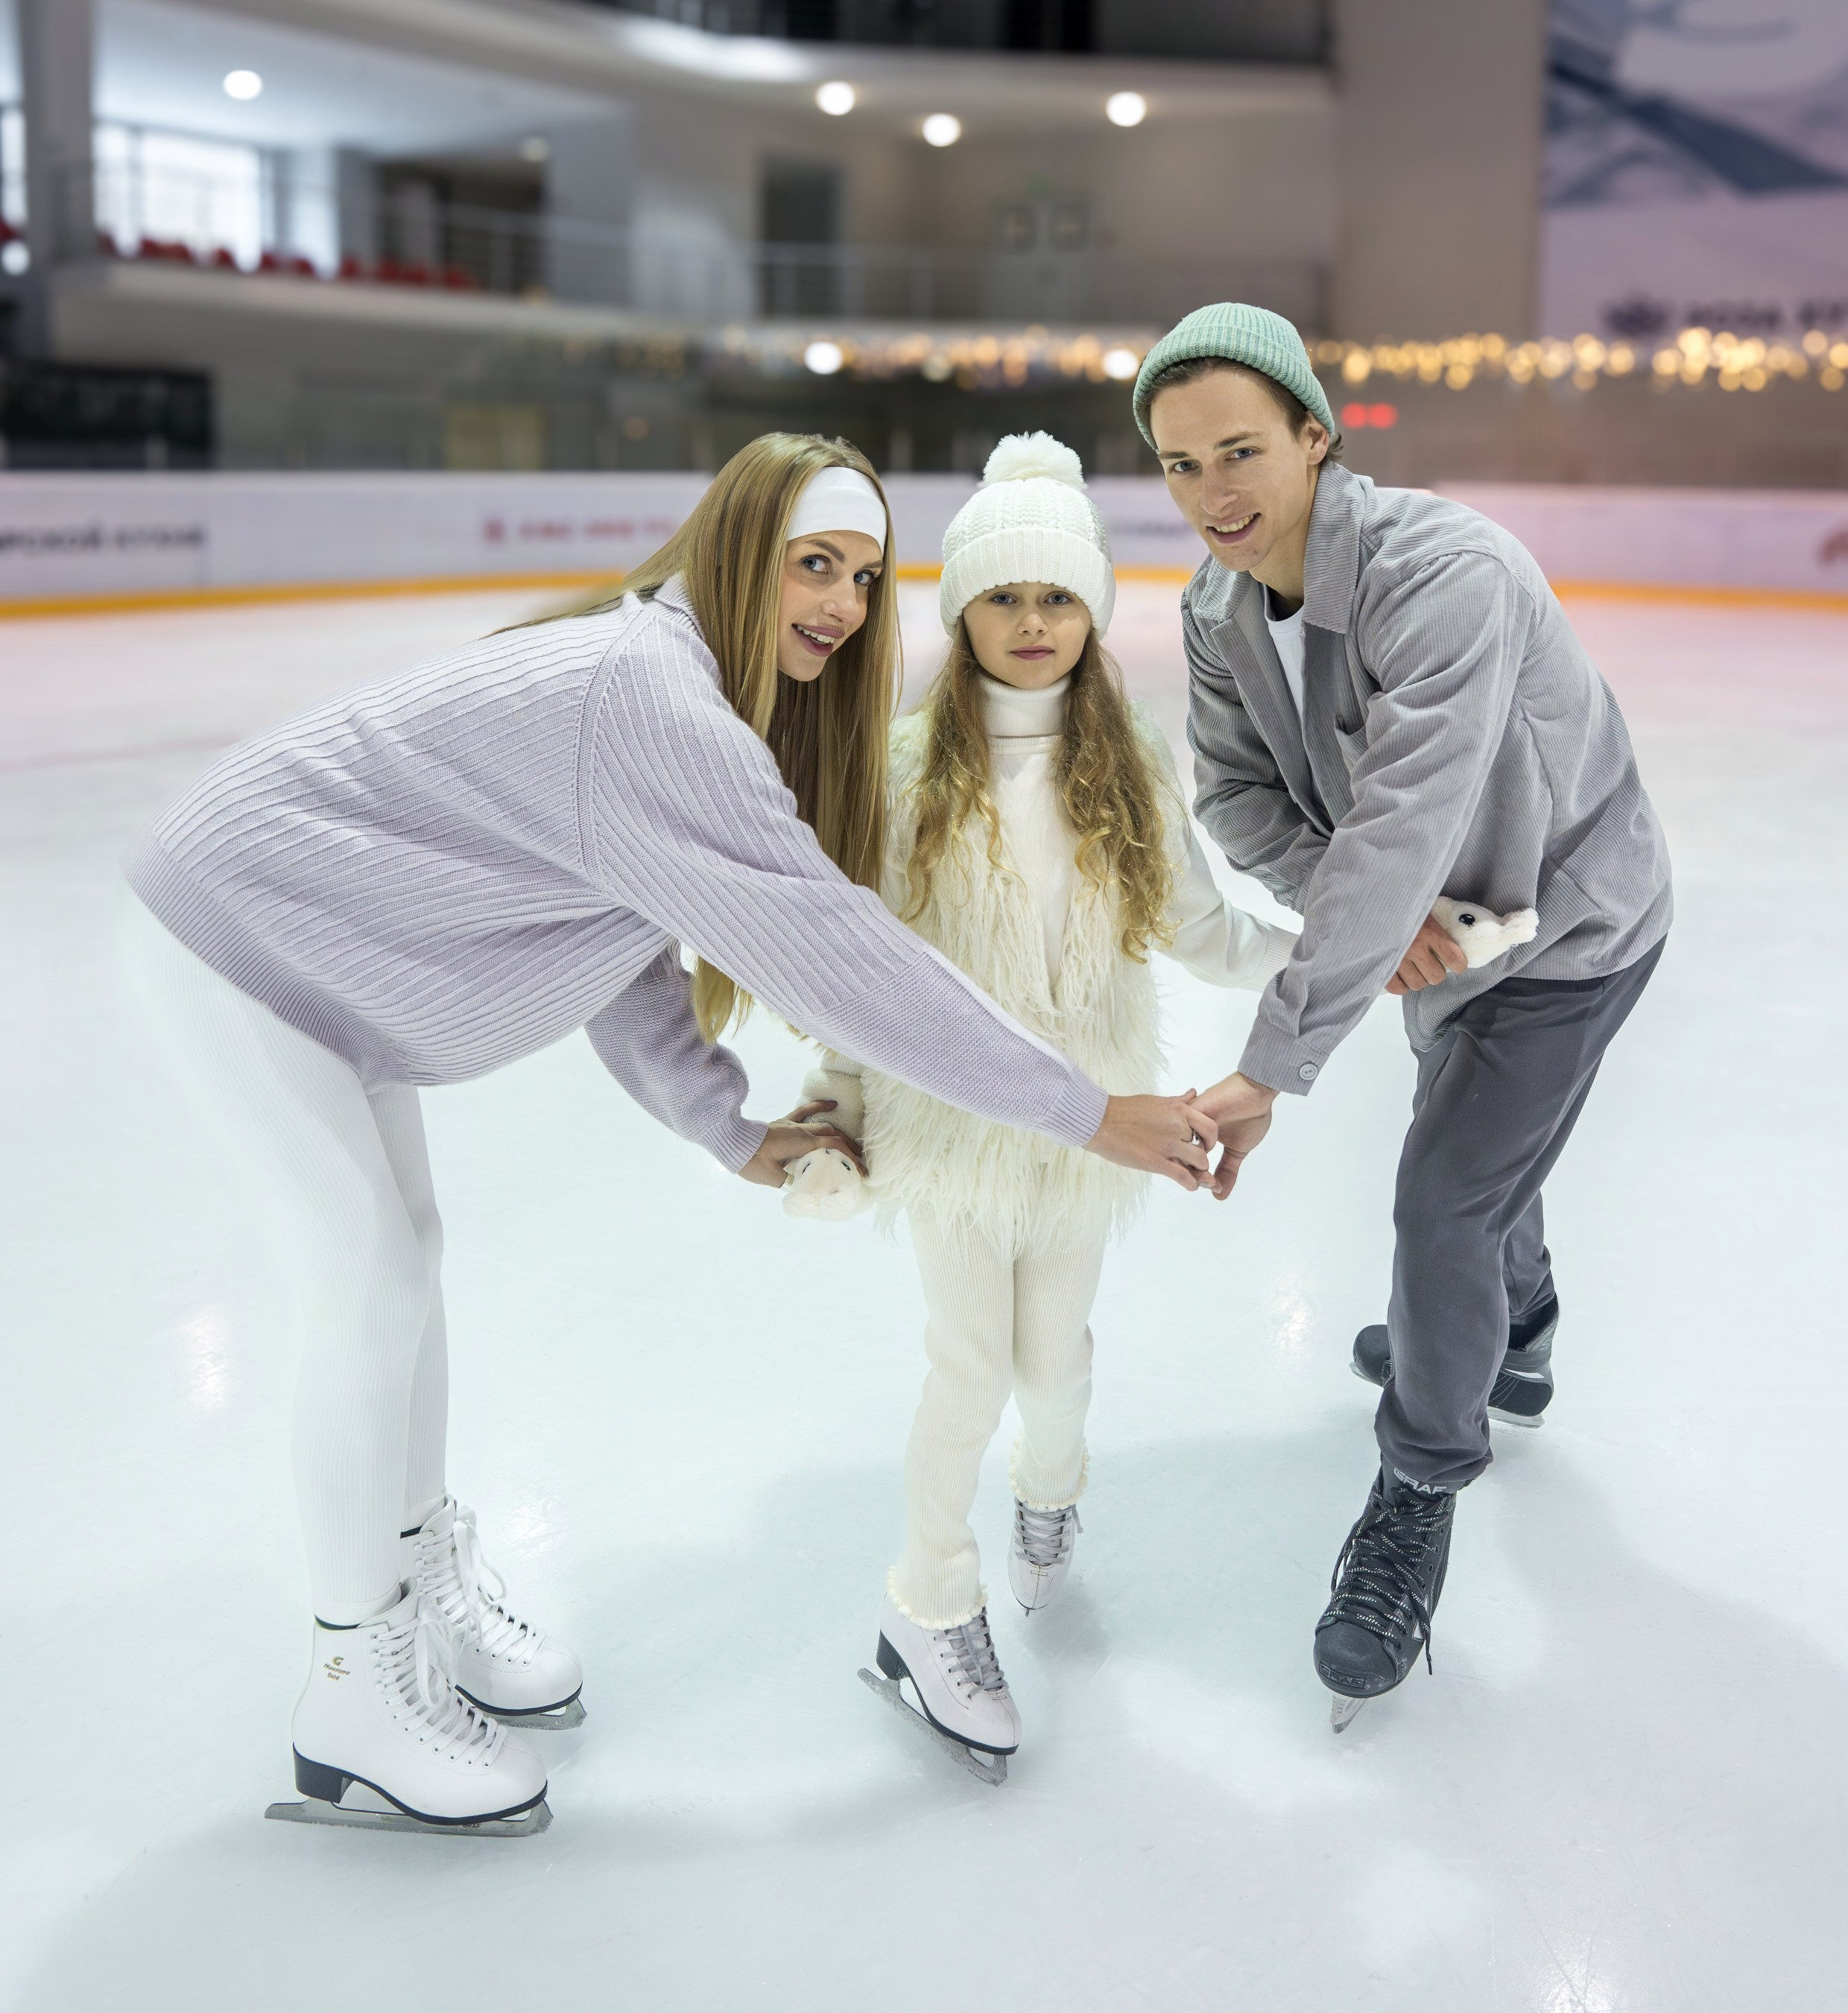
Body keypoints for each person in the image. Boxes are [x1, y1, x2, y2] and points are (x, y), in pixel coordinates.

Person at [118, 433, 1219, 1835]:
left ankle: (412, 1585)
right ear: (734, 548)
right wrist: (1086, 1108)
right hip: (239, 937)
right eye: (812, 563)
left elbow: (616, 938)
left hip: (327, 968)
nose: (839, 602)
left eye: (867, 578)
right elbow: (844, 958)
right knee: (371, 1284)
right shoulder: (652, 702)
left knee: (408, 1266)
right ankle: (352, 1682)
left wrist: (725, 1126)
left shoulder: (679, 688)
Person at [1134, 306, 1673, 1725]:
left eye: (1241, 451)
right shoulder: (1215, 612)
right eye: (1180, 467)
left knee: (1442, 1202)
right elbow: (1243, 799)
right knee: (1477, 1155)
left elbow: (1402, 821)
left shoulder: (1451, 576)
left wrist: (1270, 1066)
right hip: (1440, 948)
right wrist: (1396, 936)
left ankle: (1418, 1489)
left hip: (1566, 931)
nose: (1214, 495)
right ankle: (1522, 1331)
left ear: (1318, 436)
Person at [803, 436, 1294, 1774]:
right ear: (961, 611)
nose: (1034, 625)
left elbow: (1200, 926)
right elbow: (853, 964)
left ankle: (1052, 1495)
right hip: (948, 1128)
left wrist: (1337, 951)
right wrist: (835, 1104)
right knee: (966, 1367)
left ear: (1093, 609)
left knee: (1053, 1365)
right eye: (1006, 599)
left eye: (1060, 599)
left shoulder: (1126, 759)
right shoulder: (903, 771)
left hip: (1092, 1128)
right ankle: (929, 1601)